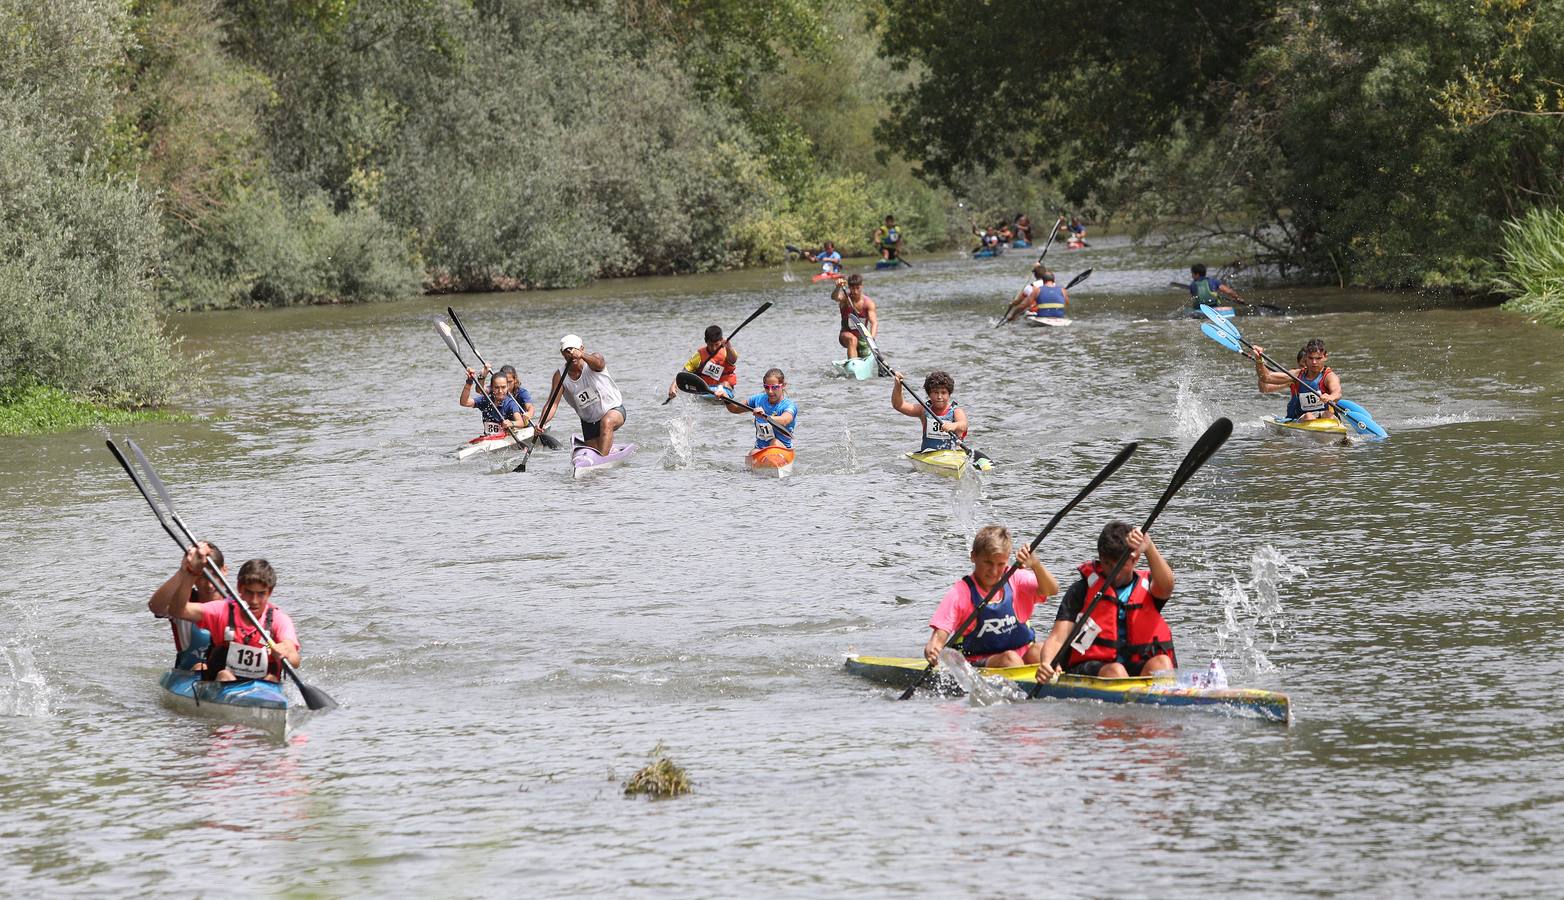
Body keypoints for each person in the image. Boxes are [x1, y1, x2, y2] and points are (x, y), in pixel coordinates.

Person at [1035, 521, 1176, 681]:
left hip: (1135, 664)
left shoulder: (1150, 586)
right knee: (1115, 670)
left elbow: (1167, 586)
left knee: (1162, 663)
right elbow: (1057, 637)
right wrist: (1047, 663)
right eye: (1108, 563)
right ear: (1101, 559)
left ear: (1134, 560)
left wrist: (1149, 547)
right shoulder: (1080, 590)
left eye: (1120, 564)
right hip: (1094, 667)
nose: (1114, 572)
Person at [923, 525, 1060, 668]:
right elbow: (937, 639)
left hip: (1021, 658)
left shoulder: (1016, 579)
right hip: (977, 663)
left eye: (1001, 564)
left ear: (1007, 560)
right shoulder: (960, 593)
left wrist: (1036, 565)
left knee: (1042, 651)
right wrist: (933, 650)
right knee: (1010, 659)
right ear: (973, 556)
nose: (994, 571)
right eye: (988, 562)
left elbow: (1052, 590)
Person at [161, 547, 302, 683]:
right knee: (225, 675)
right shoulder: (222, 610)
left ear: (269, 593)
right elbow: (178, 611)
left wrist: (286, 653)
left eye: (261, 594)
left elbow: (295, 660)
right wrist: (189, 573)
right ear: (239, 588)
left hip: (263, 685)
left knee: (271, 679)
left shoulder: (279, 619)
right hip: (223, 681)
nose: (254, 601)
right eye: (249, 592)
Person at [539, 334, 626, 455]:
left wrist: (582, 356)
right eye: (567, 351)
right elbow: (552, 404)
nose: (572, 354)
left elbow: (599, 363)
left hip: (613, 410)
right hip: (589, 422)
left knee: (607, 423)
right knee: (595, 450)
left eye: (574, 349)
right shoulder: (560, 376)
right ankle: (607, 449)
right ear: (562, 353)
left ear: (582, 348)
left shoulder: (594, 360)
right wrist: (541, 423)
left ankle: (603, 457)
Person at [148, 540, 225, 671]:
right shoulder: (182, 603)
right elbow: (155, 607)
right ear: (194, 577)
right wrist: (184, 571)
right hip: (189, 672)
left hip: (222, 674)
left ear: (224, 571)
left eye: (214, 576)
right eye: (202, 577)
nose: (209, 585)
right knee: (200, 668)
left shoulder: (236, 605)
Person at [1253, 338, 1340, 421]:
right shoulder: (1296, 375)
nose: (1314, 362)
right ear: (1306, 357)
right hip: (1304, 418)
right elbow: (1266, 378)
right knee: (1309, 416)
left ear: (1325, 357)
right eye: (1311, 358)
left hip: (1327, 417)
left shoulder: (1329, 376)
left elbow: (1337, 392)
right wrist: (1259, 359)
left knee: (1328, 415)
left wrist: (1330, 397)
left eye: (1318, 358)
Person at [891, 370, 967, 452]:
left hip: (952, 456)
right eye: (935, 392)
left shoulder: (956, 411)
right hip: (928, 456)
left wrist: (953, 426)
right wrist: (898, 386)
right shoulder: (923, 409)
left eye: (943, 392)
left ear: (949, 394)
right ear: (929, 394)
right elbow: (899, 405)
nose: (939, 397)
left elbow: (963, 425)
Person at [727, 367, 796, 452]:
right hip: (760, 449)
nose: (770, 391)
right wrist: (725, 398)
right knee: (753, 452)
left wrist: (765, 416)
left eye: (774, 387)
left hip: (783, 450)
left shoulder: (789, 405)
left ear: (783, 386)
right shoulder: (758, 399)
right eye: (767, 387)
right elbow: (734, 409)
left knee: (774, 442)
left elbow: (785, 420)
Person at [667, 325, 739, 401]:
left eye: (716, 345)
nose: (714, 348)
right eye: (711, 345)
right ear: (706, 341)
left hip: (725, 389)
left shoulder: (727, 352)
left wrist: (729, 348)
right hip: (706, 390)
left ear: (721, 340)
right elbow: (684, 372)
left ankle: (721, 393)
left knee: (725, 384)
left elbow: (733, 360)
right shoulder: (699, 356)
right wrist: (673, 386)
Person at [460, 365, 528, 435]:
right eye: (496, 387)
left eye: (503, 387)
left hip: (508, 437)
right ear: (491, 387)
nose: (500, 391)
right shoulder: (485, 400)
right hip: (489, 438)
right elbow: (464, 402)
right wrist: (469, 382)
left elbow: (521, 422)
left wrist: (511, 423)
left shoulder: (510, 403)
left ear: (507, 387)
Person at [1002, 265, 1069, 323]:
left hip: (1040, 314)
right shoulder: (1062, 289)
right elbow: (1066, 303)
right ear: (1053, 280)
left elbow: (1021, 305)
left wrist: (1013, 315)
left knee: (1025, 311)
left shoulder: (1034, 288)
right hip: (1059, 316)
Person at [835, 273, 878, 361]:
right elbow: (834, 297)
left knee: (865, 355)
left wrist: (871, 339)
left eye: (857, 288)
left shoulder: (868, 303)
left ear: (862, 286)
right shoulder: (845, 299)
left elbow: (874, 323)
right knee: (852, 339)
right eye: (852, 288)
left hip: (863, 337)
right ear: (849, 288)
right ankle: (853, 365)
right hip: (845, 334)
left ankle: (860, 359)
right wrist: (838, 287)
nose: (855, 291)